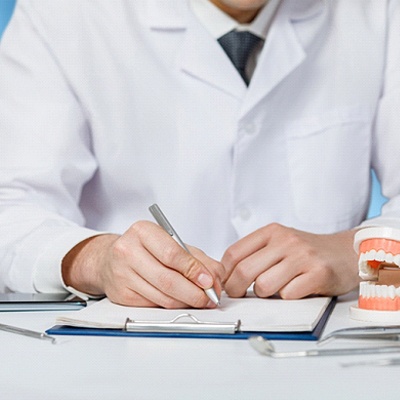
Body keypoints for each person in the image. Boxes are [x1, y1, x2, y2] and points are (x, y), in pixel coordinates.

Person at [0, 0, 399, 309]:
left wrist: (362, 255)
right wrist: (93, 260)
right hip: (123, 348)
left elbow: (384, 260)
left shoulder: (380, 11)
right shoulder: (64, 15)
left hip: (327, 357)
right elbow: (10, 206)